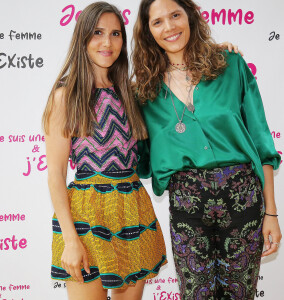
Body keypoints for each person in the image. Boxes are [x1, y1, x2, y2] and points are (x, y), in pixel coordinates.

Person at [132, 0, 282, 299]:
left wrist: (272, 213)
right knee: (195, 295)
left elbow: (261, 141)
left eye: (175, 15)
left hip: (242, 196)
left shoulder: (230, 64)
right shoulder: (143, 91)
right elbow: (141, 159)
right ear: (148, 32)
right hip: (187, 203)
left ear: (190, 16)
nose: (170, 27)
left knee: (240, 294)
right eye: (157, 21)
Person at [42, 2, 167, 300]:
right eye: (98, 32)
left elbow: (180, 76)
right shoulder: (66, 96)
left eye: (115, 34)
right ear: (83, 37)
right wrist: (71, 239)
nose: (107, 42)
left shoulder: (132, 93)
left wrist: (222, 52)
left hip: (132, 211)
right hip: (85, 217)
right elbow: (56, 175)